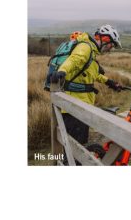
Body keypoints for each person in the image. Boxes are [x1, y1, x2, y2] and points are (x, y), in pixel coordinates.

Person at [47, 24, 125, 155]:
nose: (111, 48)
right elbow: (74, 60)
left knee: (76, 146)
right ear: (105, 39)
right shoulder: (85, 47)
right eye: (112, 44)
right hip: (75, 107)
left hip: (80, 105)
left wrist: (109, 82)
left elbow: (91, 73)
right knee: (75, 150)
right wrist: (62, 71)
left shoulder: (91, 51)